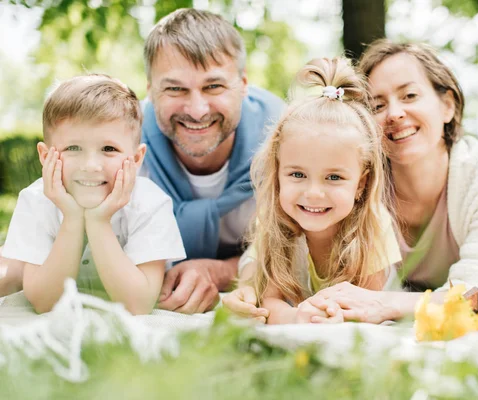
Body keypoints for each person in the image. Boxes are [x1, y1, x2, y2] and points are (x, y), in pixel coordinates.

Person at [225, 40, 478, 323]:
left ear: (447, 105)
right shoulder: (351, 181)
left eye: (410, 95)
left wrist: (382, 303)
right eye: (377, 105)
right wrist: (253, 284)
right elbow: (277, 237)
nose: (394, 113)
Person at [225, 57, 402, 324]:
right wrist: (297, 318)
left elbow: (363, 309)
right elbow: (270, 301)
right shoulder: (277, 224)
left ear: (361, 184)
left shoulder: (373, 227)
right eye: (297, 174)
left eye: (333, 177)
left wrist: (321, 319)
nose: (314, 193)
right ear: (278, 174)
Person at [1, 74, 186, 315]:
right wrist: (72, 218)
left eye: (109, 149)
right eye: (73, 148)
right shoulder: (36, 201)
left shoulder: (150, 203)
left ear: (137, 158)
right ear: (46, 157)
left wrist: (99, 221)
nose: (90, 165)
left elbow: (138, 305)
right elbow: (44, 302)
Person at [141, 8, 284, 314]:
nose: (196, 110)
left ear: (243, 84)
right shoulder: (122, 147)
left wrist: (219, 272)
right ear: (150, 91)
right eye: (175, 88)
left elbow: (305, 251)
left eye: (213, 86)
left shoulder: (284, 143)